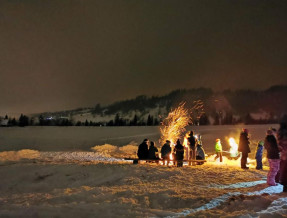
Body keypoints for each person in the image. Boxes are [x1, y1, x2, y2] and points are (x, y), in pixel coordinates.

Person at [277, 122, 287, 192]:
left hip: (284, 156)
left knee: (283, 170)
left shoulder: (280, 133)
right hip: (285, 156)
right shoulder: (284, 133)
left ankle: (285, 187)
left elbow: (279, 144)